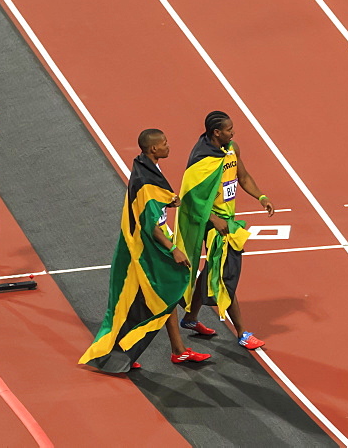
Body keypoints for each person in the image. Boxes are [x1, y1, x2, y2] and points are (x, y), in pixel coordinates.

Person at [79, 129, 210, 373]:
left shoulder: (146, 169)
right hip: (142, 253)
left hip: (146, 247)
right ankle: (115, 353)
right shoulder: (145, 181)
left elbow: (153, 202)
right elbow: (151, 227)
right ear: (153, 149)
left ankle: (178, 351)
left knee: (163, 297)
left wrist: (168, 199)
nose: (168, 146)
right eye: (164, 144)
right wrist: (174, 250)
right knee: (137, 303)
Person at [177, 111, 275, 350]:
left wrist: (261, 197)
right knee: (225, 276)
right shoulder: (201, 159)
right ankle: (242, 332)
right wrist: (213, 218)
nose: (233, 132)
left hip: (228, 219)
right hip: (213, 224)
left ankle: (190, 318)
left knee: (213, 270)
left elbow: (243, 176)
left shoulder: (231, 148)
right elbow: (189, 197)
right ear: (216, 132)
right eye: (229, 129)